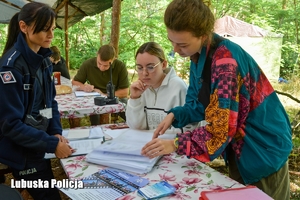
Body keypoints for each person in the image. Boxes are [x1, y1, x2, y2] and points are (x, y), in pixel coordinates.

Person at [141, 0, 292, 199]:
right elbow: (200, 105)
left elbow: (220, 130)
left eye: (182, 44)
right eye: (172, 41)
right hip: (239, 148)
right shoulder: (198, 55)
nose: (175, 49)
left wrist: (176, 143)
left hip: (262, 147)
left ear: (203, 36)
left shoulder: (225, 62)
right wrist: (175, 115)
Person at [0, 2, 73, 199]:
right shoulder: (10, 68)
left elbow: (51, 103)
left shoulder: (44, 60)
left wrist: (56, 132)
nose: (51, 35)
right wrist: (51, 144)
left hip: (39, 142)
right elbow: (10, 125)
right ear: (23, 27)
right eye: (44, 29)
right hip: (22, 152)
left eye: (52, 29)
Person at [126, 42, 187, 130]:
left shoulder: (178, 88)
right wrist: (135, 98)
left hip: (170, 142)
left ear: (163, 65)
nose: (144, 73)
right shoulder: (142, 88)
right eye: (139, 68)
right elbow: (136, 127)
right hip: (146, 142)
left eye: (150, 67)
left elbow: (185, 129)